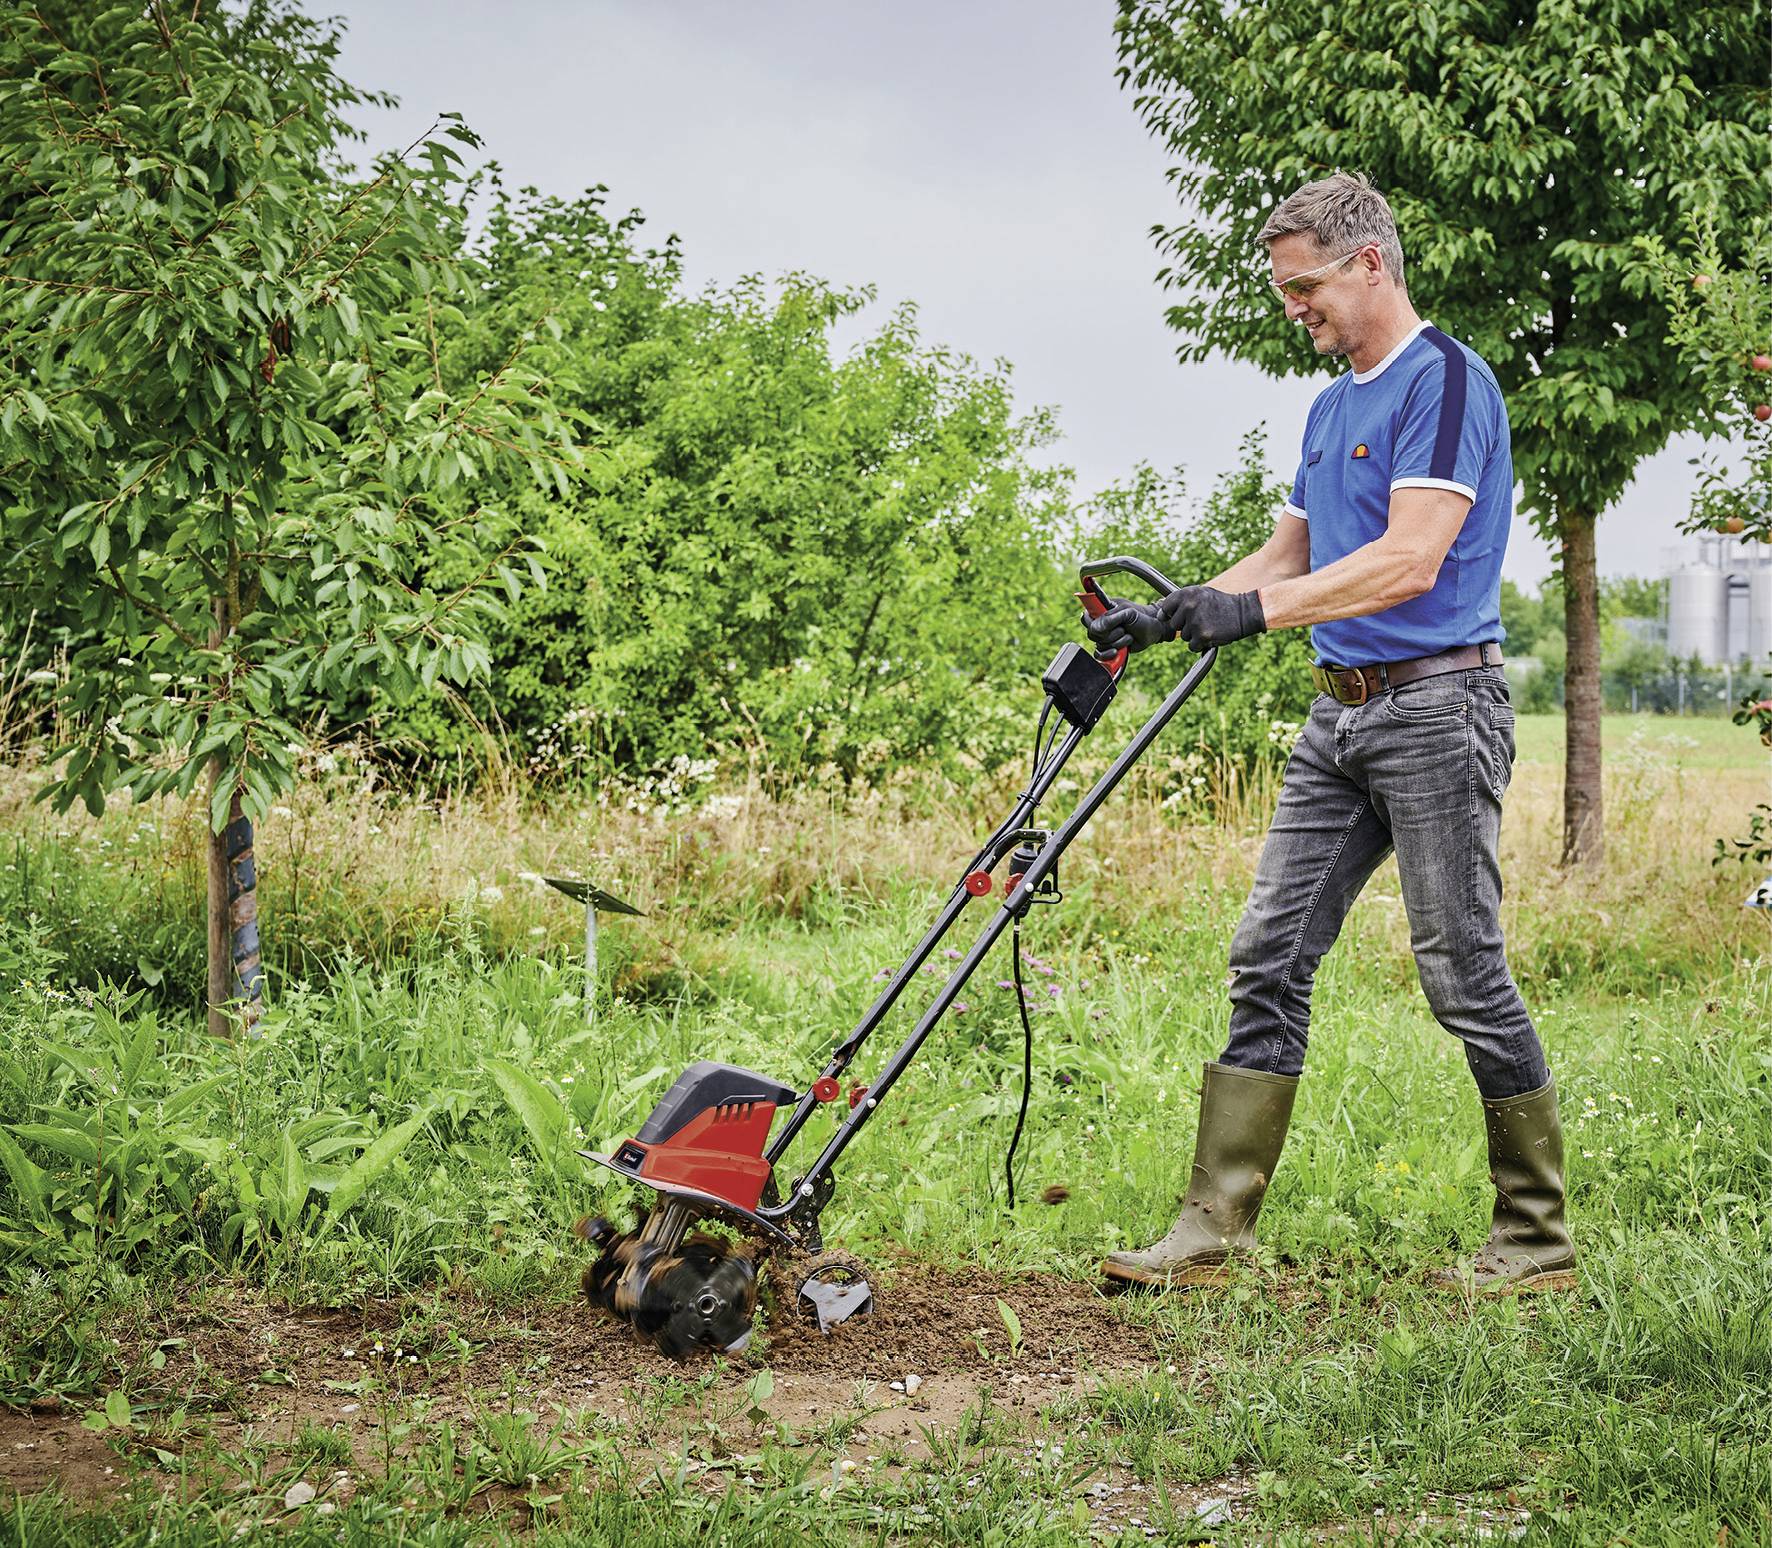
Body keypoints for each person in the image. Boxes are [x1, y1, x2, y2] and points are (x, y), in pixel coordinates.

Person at [1088, 172, 1574, 1294]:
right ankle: (1211, 1234)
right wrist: (1172, 612)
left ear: (1368, 263)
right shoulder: (1328, 404)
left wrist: (1249, 613)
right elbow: (1284, 560)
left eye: (1302, 284)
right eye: (1280, 288)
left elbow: (1408, 558)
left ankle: (1536, 1241)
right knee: (1266, 955)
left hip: (1438, 708)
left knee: (1460, 972)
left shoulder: (1444, 383)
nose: (1290, 306)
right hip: (1340, 717)